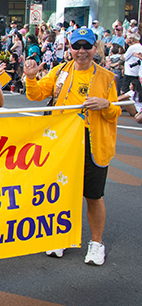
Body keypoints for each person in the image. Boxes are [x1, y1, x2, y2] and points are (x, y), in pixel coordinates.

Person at [24, 27, 121, 265]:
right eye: (76, 46)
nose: (81, 51)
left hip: (93, 142)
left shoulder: (107, 78)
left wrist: (105, 105)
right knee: (61, 191)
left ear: (95, 47)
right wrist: (30, 76)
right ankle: (61, 237)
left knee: (93, 195)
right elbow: (36, 95)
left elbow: (116, 111)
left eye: (86, 46)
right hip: (64, 141)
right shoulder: (60, 72)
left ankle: (96, 243)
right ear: (69, 48)